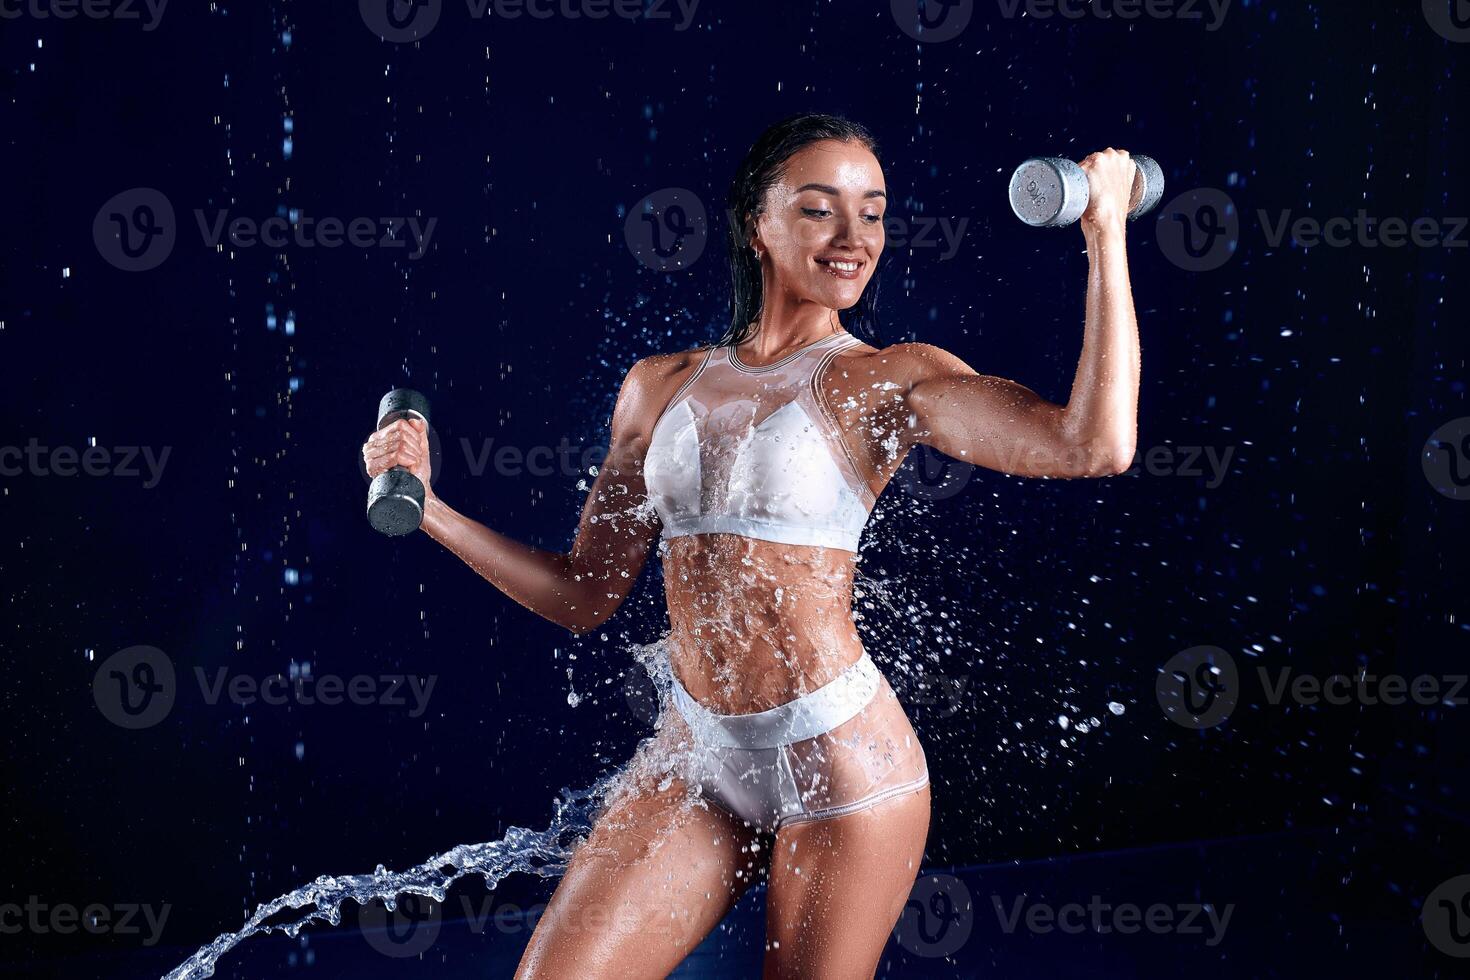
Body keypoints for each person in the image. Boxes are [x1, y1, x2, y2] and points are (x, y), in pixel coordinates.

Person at [361, 112, 1140, 978]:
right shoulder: (658, 387)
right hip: (698, 755)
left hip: (844, 768)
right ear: (754, 226)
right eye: (819, 210)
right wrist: (430, 510)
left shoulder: (890, 378)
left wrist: (1104, 231)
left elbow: (1092, 445)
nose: (854, 238)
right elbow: (584, 594)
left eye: (873, 212)